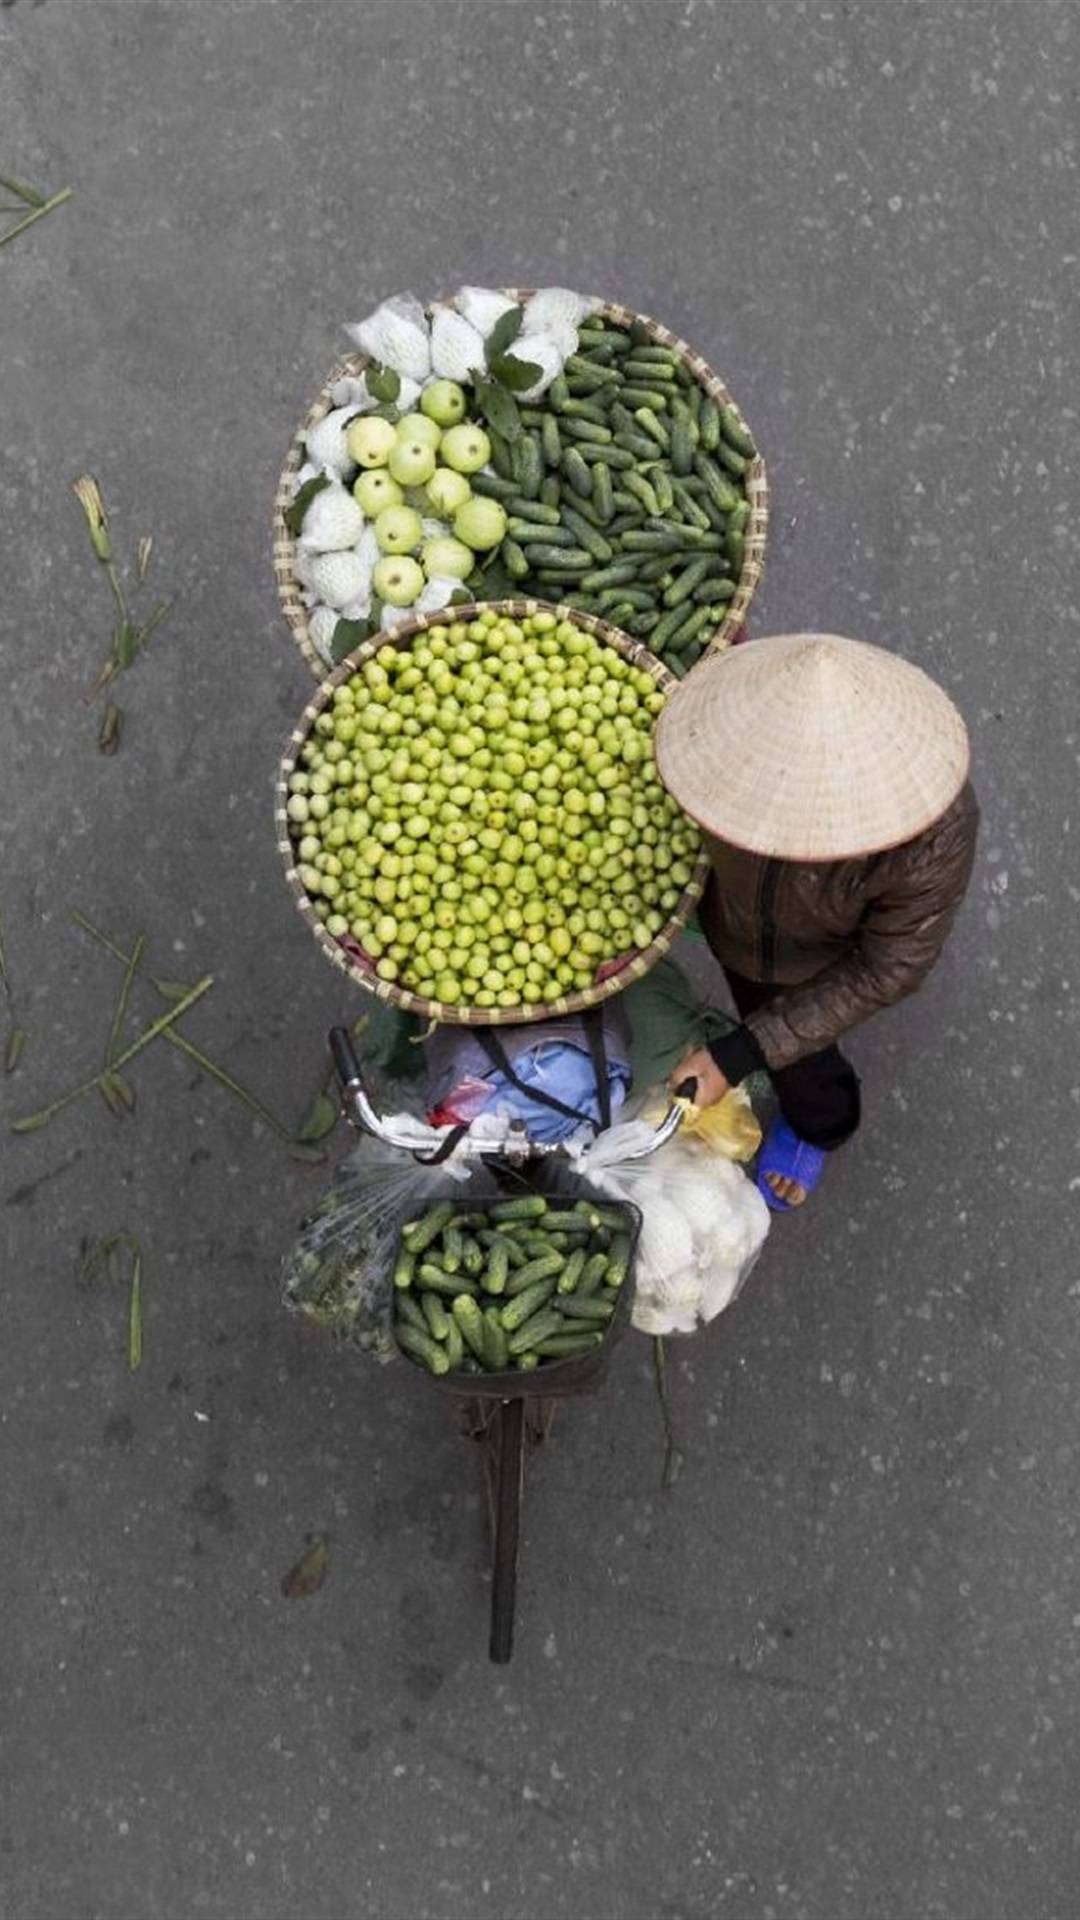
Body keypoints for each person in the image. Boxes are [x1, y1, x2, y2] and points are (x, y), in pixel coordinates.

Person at [653, 632, 978, 1211]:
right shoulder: (722, 716)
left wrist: (738, 1055)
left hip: (813, 956)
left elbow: (887, 969)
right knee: (747, 980)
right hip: (733, 914)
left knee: (798, 1053)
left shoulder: (935, 836)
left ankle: (819, 1125)